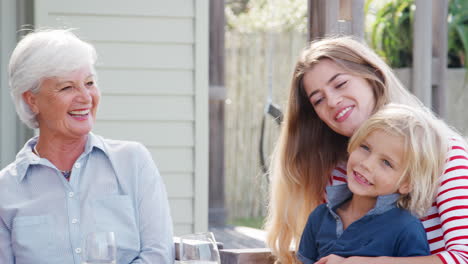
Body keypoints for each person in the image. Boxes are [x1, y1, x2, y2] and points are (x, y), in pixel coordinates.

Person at [265, 36, 468, 264]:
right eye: (319, 100)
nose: (331, 101)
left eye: (340, 84)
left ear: (373, 77)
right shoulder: (342, 174)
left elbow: (464, 256)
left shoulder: (446, 154)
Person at [0, 29, 174, 264]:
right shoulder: (6, 190)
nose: (85, 97)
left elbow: (158, 255)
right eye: (67, 87)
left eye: (89, 83)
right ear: (32, 100)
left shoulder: (133, 161)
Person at [297, 104, 449, 263]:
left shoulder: (406, 227)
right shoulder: (320, 216)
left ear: (406, 183)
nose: (367, 164)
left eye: (386, 163)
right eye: (365, 147)